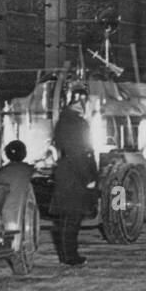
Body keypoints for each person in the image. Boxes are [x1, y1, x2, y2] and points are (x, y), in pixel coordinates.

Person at [49, 86, 99, 267]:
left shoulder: (64, 121)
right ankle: (70, 256)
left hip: (67, 173)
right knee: (72, 219)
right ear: (81, 102)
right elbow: (79, 152)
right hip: (75, 176)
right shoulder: (76, 123)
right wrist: (89, 178)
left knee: (68, 219)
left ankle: (67, 255)